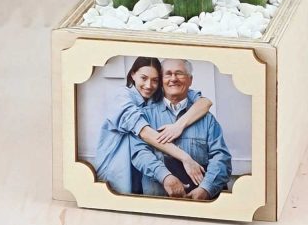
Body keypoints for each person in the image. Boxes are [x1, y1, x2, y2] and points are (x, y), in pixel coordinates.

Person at [93, 56, 213, 194]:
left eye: (155, 80)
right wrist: (186, 158)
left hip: (142, 176)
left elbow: (205, 103)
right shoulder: (121, 97)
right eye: (143, 78)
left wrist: (178, 126)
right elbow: (145, 133)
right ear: (133, 74)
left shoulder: (154, 98)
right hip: (115, 171)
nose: (149, 85)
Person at [130, 59, 232, 200]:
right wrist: (165, 177)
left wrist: (206, 189)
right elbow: (139, 153)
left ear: (190, 80)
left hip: (200, 201)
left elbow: (221, 157)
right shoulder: (145, 115)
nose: (173, 78)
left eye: (179, 73)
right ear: (161, 80)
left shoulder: (207, 119)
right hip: (157, 199)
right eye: (168, 74)